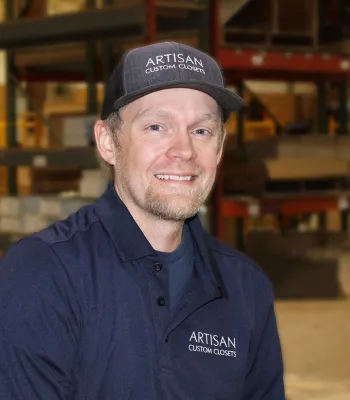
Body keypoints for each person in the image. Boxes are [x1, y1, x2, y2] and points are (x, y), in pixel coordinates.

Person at [0, 42, 285, 399]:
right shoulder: (42, 274)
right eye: (156, 126)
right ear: (108, 142)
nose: (183, 150)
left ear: (220, 147)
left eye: (201, 131)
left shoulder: (246, 288)